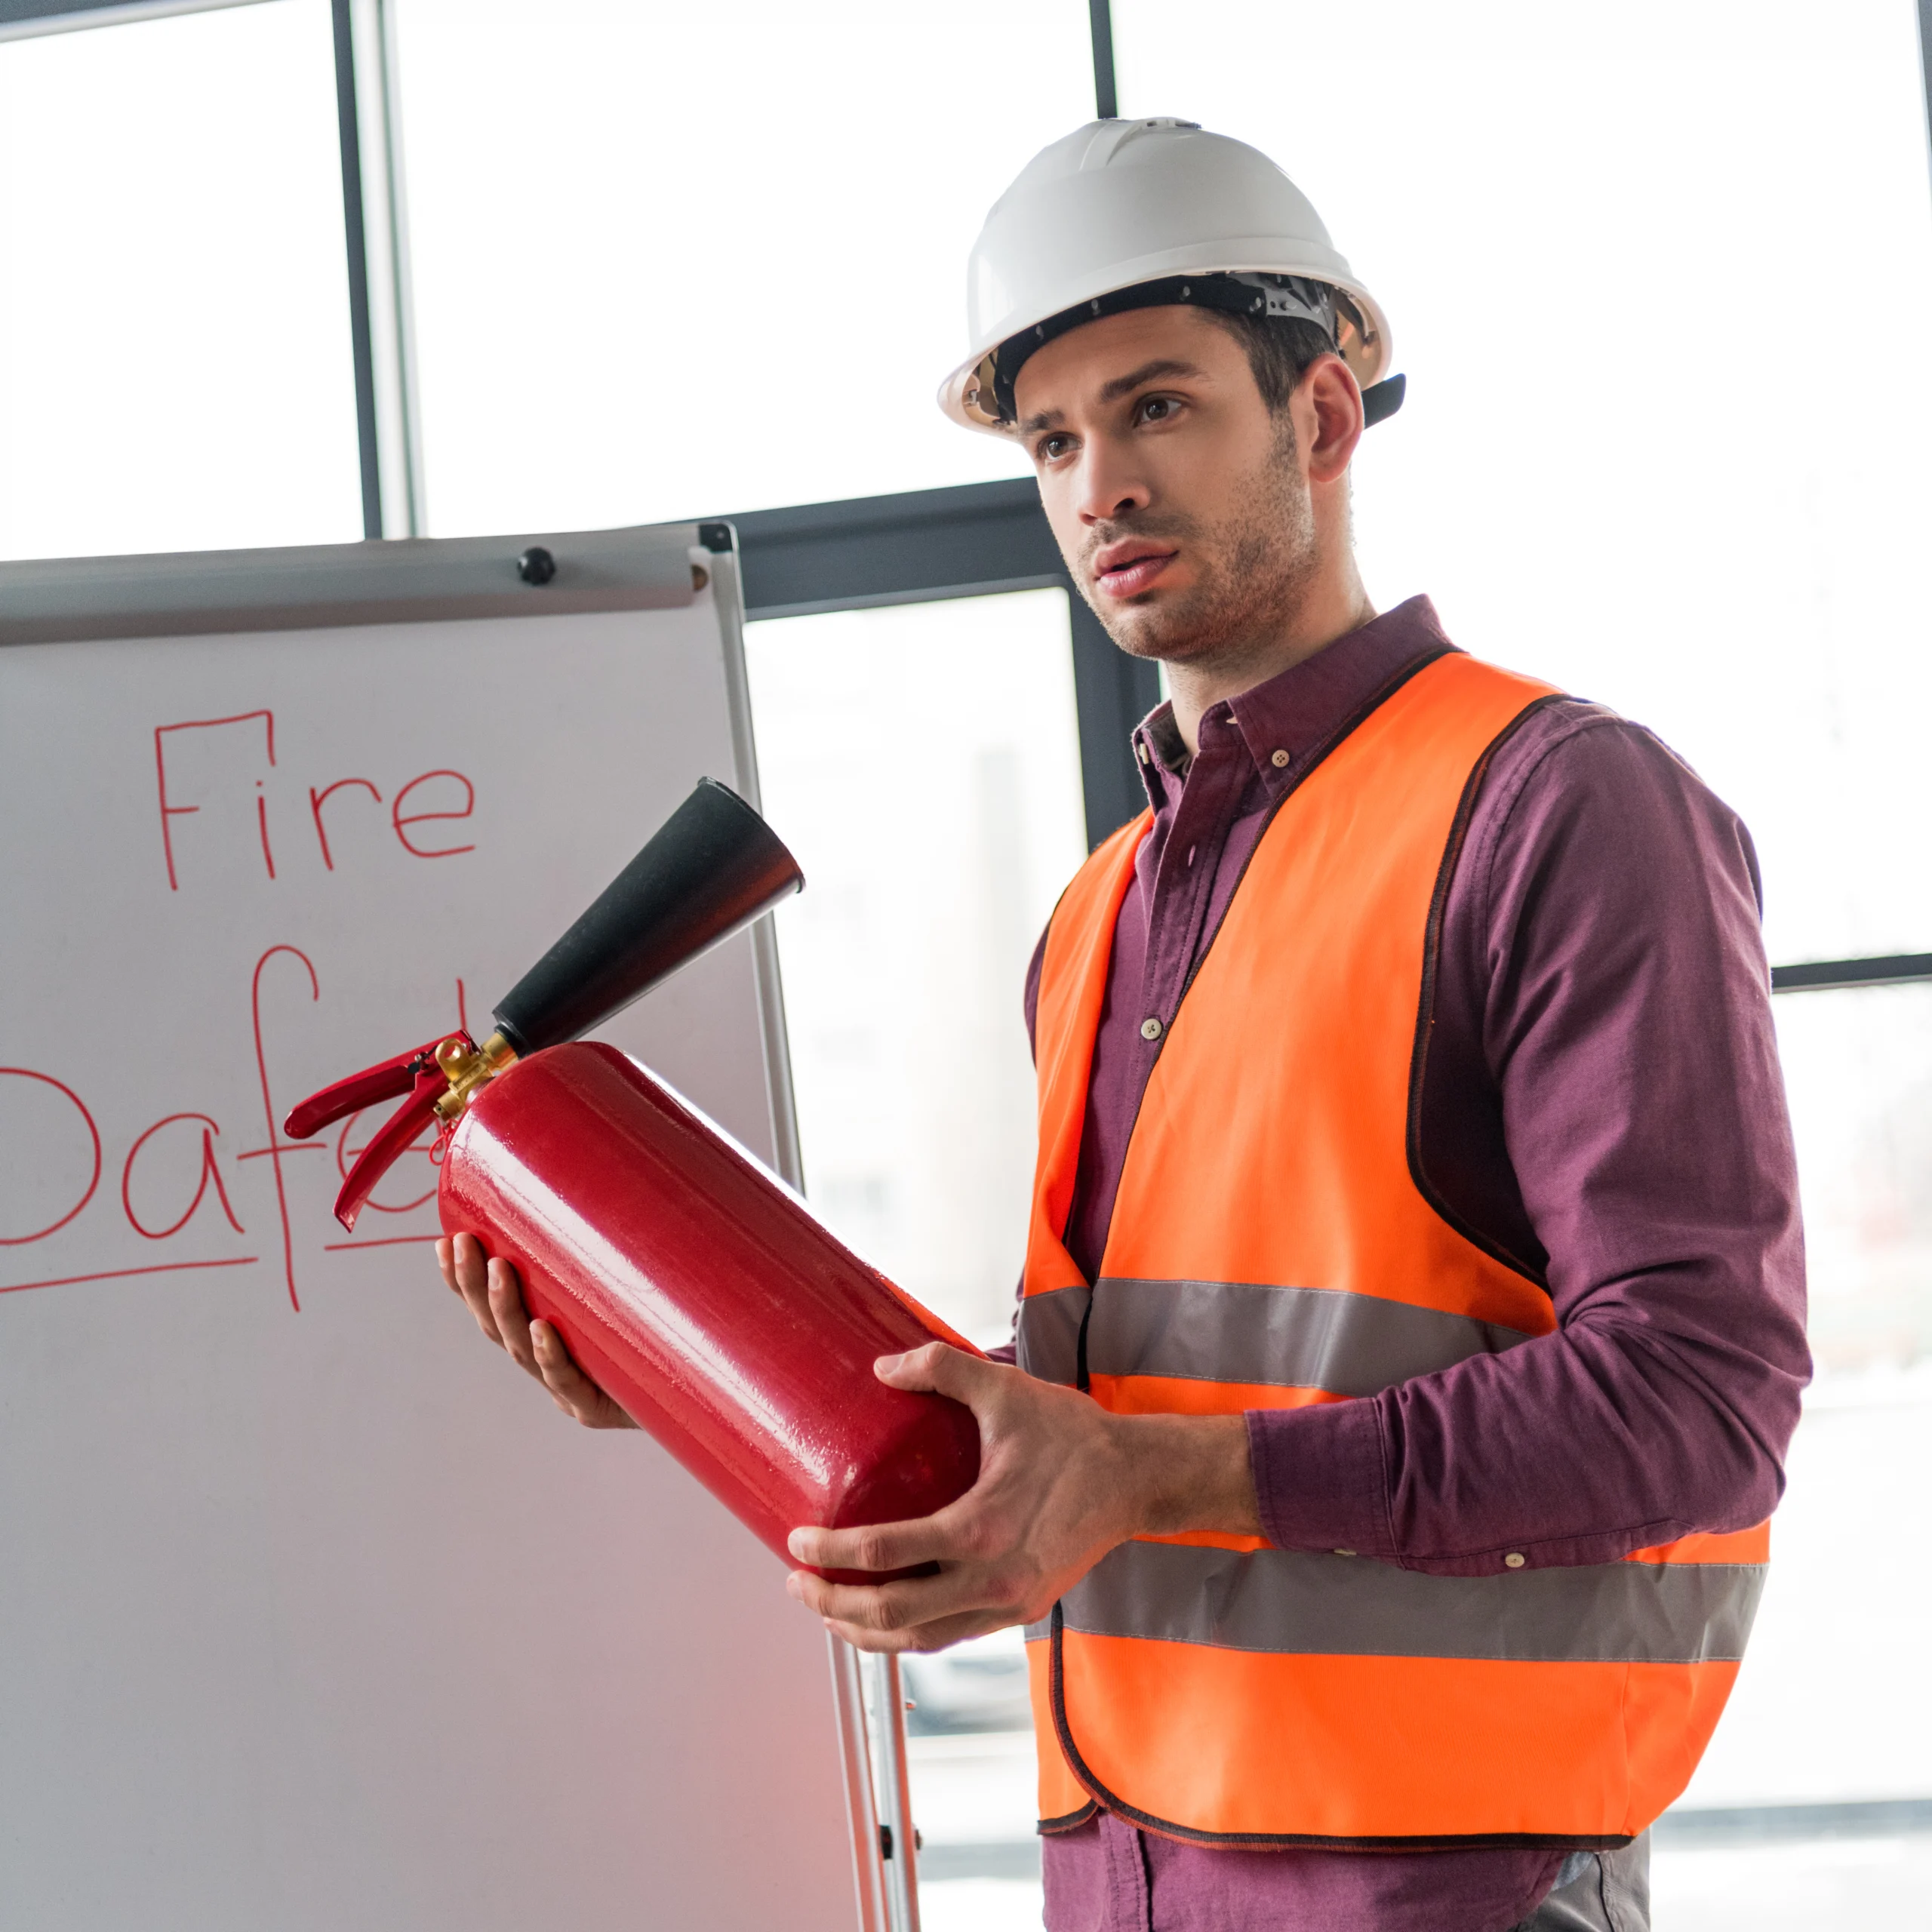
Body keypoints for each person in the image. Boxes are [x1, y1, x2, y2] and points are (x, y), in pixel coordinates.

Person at [438, 119, 1809, 1932]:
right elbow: (1087, 1420)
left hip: (1442, 1883)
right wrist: (698, 1382)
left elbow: (1700, 1396)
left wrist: (1153, 1471)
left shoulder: (1555, 803)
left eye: (1157, 408)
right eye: (1054, 440)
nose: (1100, 486)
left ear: (1317, 421)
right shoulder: (1094, 916)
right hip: (1121, 1874)